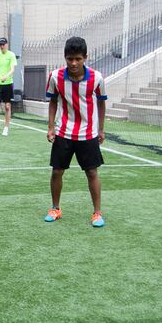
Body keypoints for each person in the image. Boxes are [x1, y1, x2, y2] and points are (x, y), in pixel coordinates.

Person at [44, 36, 107, 227]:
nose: (73, 63)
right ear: (65, 57)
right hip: (63, 131)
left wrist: (101, 129)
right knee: (57, 171)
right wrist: (50, 126)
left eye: (78, 59)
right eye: (70, 58)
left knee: (92, 172)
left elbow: (101, 102)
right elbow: (53, 101)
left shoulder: (97, 78)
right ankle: (55, 208)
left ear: (85, 57)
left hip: (87, 133)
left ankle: (97, 213)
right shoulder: (55, 76)